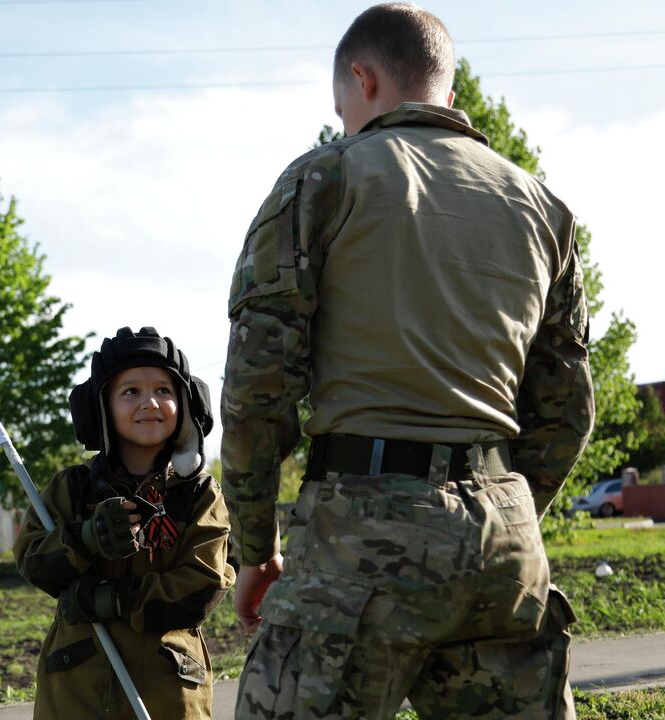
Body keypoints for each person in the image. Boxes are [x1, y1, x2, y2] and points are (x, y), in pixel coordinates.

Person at [222, 4, 594, 719]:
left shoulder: (325, 178)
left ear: (361, 80)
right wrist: (505, 508)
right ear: (446, 93)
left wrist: (254, 546)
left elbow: (257, 387)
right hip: (504, 552)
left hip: (358, 545)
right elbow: (569, 410)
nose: (343, 124)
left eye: (342, 109)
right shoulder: (542, 208)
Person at [14, 327, 236, 719]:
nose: (149, 402)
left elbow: (203, 584)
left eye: (164, 391)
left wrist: (115, 599)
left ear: (186, 403)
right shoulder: (73, 488)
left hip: (168, 691)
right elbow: (33, 561)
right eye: (130, 391)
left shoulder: (199, 494)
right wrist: (84, 539)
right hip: (77, 688)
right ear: (100, 407)